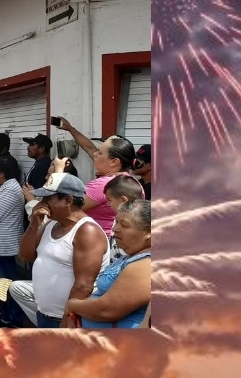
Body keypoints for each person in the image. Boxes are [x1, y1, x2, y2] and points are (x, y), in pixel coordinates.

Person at [16, 169, 107, 327]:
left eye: (48, 198)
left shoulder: (87, 231)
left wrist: (67, 319)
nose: (42, 203)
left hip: (66, 319)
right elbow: (25, 256)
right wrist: (33, 225)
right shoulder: (50, 224)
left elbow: (84, 285)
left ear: (68, 200)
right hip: (45, 314)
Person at [66, 199, 150, 328]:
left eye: (124, 225)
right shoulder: (131, 256)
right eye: (116, 222)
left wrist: (72, 304)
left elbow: (106, 310)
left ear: (148, 232)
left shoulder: (146, 264)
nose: (115, 229)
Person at [51, 116, 132, 234]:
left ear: (114, 162)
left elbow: (62, 207)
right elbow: (88, 147)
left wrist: (58, 171)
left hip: (95, 241)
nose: (94, 154)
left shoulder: (103, 185)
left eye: (100, 153)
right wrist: (70, 129)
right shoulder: (130, 181)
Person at [0, 153, 28, 326]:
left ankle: (13, 318)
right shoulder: (4, 188)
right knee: (0, 282)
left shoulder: (11, 191)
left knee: (6, 282)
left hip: (5, 245)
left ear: (1, 173)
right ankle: (6, 315)